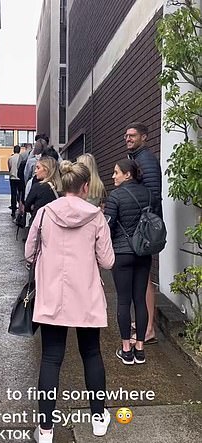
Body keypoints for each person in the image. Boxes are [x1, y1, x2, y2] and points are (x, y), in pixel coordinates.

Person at [25, 162, 115, 442]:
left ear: (63, 185)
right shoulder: (96, 217)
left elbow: (30, 253)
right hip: (86, 296)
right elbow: (108, 261)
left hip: (52, 295)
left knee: (51, 359)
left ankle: (46, 430)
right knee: (91, 354)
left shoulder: (44, 213)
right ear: (86, 187)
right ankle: (98, 419)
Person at [104, 159, 156, 365]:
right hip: (143, 253)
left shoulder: (115, 196)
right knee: (140, 300)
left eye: (116, 172)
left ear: (128, 175)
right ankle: (140, 349)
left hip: (122, 253)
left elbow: (108, 227)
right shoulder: (150, 195)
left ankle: (126, 349)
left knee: (124, 300)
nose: (113, 176)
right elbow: (155, 223)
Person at [125, 122, 162, 345]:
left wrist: (141, 224)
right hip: (141, 228)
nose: (128, 139)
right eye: (126, 136)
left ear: (144, 137)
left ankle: (148, 329)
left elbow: (153, 195)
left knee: (145, 278)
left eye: (132, 136)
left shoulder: (145, 160)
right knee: (141, 277)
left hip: (144, 230)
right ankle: (144, 323)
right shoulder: (137, 158)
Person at [25, 157, 62, 223]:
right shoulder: (61, 187)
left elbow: (27, 206)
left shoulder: (38, 187)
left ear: (46, 169)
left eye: (38, 168)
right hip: (55, 224)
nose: (35, 171)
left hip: (39, 223)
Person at [8, 145, 21, 218]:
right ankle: (20, 209)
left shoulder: (10, 158)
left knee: (13, 194)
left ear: (13, 150)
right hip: (20, 178)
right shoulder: (21, 158)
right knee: (20, 193)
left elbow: (9, 168)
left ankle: (13, 210)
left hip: (12, 178)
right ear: (19, 150)